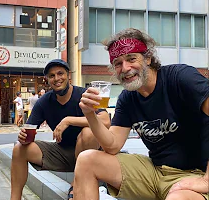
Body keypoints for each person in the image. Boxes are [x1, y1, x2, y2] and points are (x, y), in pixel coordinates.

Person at [74, 28, 209, 200]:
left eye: (131, 59)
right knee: (87, 160)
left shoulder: (180, 77)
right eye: (118, 63)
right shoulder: (128, 98)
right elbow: (112, 145)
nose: (125, 68)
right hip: (154, 171)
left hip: (193, 174)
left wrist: (207, 179)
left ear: (148, 58)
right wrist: (89, 114)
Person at [10, 59, 111, 200]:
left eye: (60, 73)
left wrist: (68, 120)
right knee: (19, 148)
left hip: (90, 155)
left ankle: (76, 184)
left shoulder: (83, 94)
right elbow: (29, 128)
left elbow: (106, 121)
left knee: (88, 132)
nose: (57, 78)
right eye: (51, 76)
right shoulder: (44, 102)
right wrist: (23, 135)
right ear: (47, 80)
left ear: (68, 75)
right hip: (62, 153)